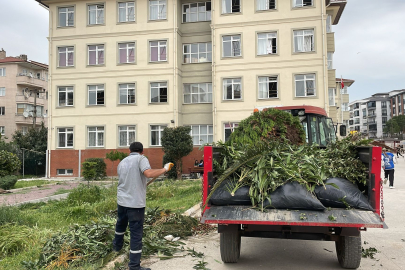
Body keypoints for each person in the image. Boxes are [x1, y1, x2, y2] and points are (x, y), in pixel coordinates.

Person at [113, 142, 173, 270]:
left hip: (122, 201)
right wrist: (165, 169)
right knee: (136, 234)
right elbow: (149, 174)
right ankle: (134, 266)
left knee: (121, 224)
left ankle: (116, 247)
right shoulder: (141, 159)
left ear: (129, 150)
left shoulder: (123, 162)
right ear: (142, 151)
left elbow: (129, 180)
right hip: (135, 204)